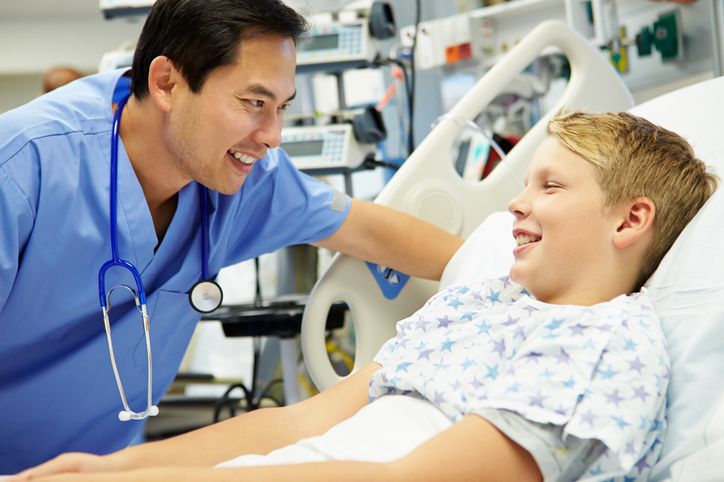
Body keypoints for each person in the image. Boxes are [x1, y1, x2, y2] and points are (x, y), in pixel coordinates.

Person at [11, 111, 717, 481]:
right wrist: (117, 467)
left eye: (550, 188)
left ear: (630, 220)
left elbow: (414, 478)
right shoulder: (478, 305)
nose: (514, 208)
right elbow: (299, 425)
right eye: (524, 184)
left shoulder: (599, 347)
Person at [0, 0, 464, 473]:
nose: (273, 136)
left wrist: (500, 280)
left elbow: (368, 229)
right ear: (167, 83)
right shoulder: (21, 169)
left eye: (282, 108)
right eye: (254, 103)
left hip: (108, 467)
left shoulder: (245, 179)